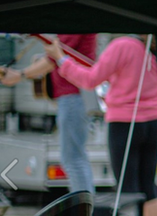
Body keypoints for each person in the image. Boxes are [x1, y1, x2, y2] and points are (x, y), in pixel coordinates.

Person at [45, 35, 157, 216]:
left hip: (125, 121)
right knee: (149, 187)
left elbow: (90, 80)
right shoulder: (156, 49)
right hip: (153, 120)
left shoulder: (122, 46)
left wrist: (61, 59)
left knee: (127, 189)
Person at [1, 35, 98, 194]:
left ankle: (84, 213)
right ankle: (84, 211)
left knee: (73, 159)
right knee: (74, 158)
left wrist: (20, 75)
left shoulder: (73, 25)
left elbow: (54, 57)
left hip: (73, 96)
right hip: (74, 96)